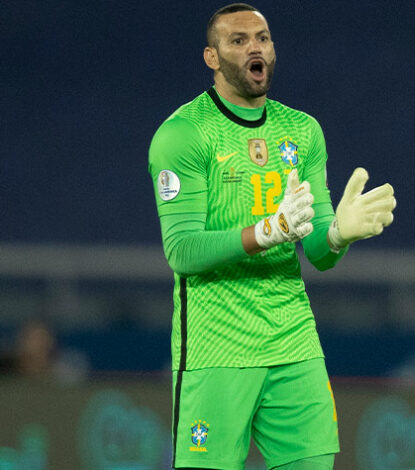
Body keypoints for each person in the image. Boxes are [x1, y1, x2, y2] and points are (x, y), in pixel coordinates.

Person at [147, 4, 396, 469]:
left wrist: (339, 234)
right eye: (238, 41)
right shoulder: (182, 135)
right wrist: (266, 232)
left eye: (262, 37)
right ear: (212, 58)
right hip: (216, 349)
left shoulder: (302, 132)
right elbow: (181, 251)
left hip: (294, 344)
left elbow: (317, 253)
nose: (254, 47)